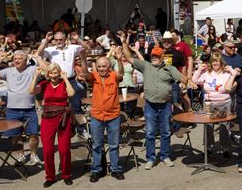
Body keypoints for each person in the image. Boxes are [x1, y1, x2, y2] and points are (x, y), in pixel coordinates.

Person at [121, 38, 186, 170]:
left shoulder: (170, 68)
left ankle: (165, 156)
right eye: (153, 56)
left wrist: (188, 81)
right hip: (150, 105)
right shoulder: (146, 66)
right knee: (150, 133)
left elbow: (181, 78)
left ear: (162, 57)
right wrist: (123, 42)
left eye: (157, 56)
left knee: (166, 132)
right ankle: (150, 158)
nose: (155, 58)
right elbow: (129, 58)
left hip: (165, 104)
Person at [0, 51, 41, 165]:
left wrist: (38, 58)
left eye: (19, 59)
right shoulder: (8, 71)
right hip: (12, 109)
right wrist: (0, 59)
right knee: (15, 136)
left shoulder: (32, 69)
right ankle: (20, 155)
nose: (16, 60)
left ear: (26, 60)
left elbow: (47, 70)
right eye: (15, 58)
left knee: (34, 134)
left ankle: (33, 155)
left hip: (29, 108)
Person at [81, 50, 125, 182]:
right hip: (97, 116)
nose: (101, 69)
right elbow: (85, 73)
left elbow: (121, 73)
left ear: (109, 67)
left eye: (103, 66)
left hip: (113, 116)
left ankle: (115, 169)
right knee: (96, 145)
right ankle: (96, 170)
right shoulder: (93, 76)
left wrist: (119, 60)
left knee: (114, 145)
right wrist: (83, 59)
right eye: (99, 66)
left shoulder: (113, 75)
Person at [36, 31, 90, 138]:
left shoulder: (72, 47)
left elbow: (87, 48)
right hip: (56, 80)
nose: (58, 41)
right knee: (57, 106)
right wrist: (46, 40)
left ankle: (80, 129)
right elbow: (38, 53)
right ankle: (62, 129)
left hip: (70, 80)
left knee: (76, 105)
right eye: (56, 39)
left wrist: (78, 39)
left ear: (65, 39)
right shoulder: (50, 49)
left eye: (61, 39)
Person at [29, 64, 75, 188]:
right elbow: (31, 91)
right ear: (48, 74)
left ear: (59, 73)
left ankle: (66, 175)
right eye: (51, 73)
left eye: (56, 73)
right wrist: (36, 76)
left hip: (63, 119)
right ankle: (50, 176)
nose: (53, 76)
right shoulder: (45, 84)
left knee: (64, 149)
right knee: (48, 150)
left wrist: (65, 78)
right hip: (48, 119)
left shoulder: (64, 83)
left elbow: (71, 94)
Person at [192, 52, 233, 158]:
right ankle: (208, 148)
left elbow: (235, 79)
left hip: (224, 102)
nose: (215, 63)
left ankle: (226, 148)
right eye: (213, 61)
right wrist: (199, 70)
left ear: (221, 62)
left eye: (217, 61)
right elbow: (194, 81)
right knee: (208, 126)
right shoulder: (206, 73)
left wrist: (232, 70)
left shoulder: (226, 73)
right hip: (209, 103)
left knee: (224, 126)